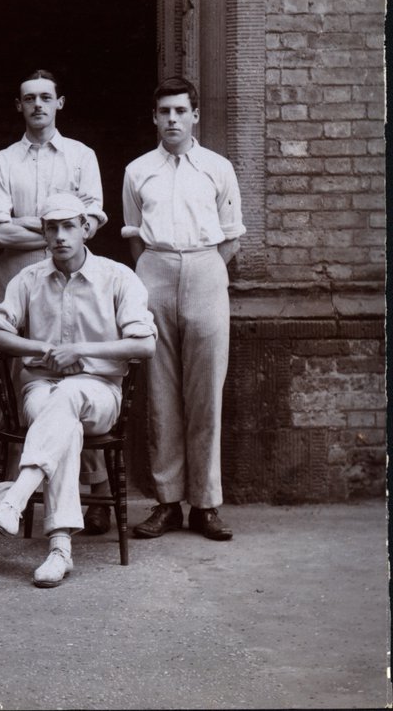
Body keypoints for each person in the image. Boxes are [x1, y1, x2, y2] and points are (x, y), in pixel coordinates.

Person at [0, 192, 155, 588]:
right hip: (41, 387)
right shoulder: (28, 279)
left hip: (100, 392)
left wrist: (82, 351)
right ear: (43, 233)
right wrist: (42, 348)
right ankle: (60, 548)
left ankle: (16, 498)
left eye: (69, 227)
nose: (60, 236)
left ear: (86, 229)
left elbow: (145, 344)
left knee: (70, 397)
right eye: (52, 228)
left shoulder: (118, 276)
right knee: (63, 418)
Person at [0, 69, 114, 533]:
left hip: (75, 276)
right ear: (18, 106)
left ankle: (93, 491)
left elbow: (92, 221)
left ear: (60, 103)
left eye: (45, 97)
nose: (37, 105)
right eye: (28, 98)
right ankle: (22, 485)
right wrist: (58, 223)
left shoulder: (81, 156)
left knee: (79, 372)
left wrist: (38, 227)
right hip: (19, 276)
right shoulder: (2, 162)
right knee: (22, 374)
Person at [122, 76, 244, 542]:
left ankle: (206, 504)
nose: (172, 119)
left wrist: (200, 267)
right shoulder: (138, 171)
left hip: (206, 270)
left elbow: (231, 235)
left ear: (196, 115)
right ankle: (167, 501)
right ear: (154, 118)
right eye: (164, 112)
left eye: (180, 111)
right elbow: (134, 233)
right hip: (153, 269)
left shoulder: (218, 168)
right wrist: (157, 272)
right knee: (159, 392)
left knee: (205, 390)